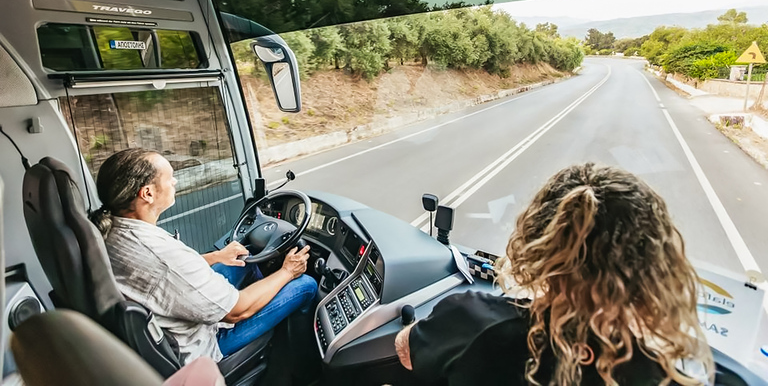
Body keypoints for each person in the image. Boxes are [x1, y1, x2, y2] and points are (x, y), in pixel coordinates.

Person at [395, 163, 713, 386]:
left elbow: (405, 350)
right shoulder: (666, 375)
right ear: (656, 264)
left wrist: (413, 329)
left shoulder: (473, 323)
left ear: (538, 243)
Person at [89, 148, 318, 366]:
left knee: (243, 260)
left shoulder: (113, 231)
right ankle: (301, 367)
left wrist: (216, 256)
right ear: (147, 193)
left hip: (172, 317)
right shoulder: (164, 257)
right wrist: (287, 272)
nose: (175, 182)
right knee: (305, 285)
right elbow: (237, 312)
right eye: (170, 178)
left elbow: (168, 274)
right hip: (202, 345)